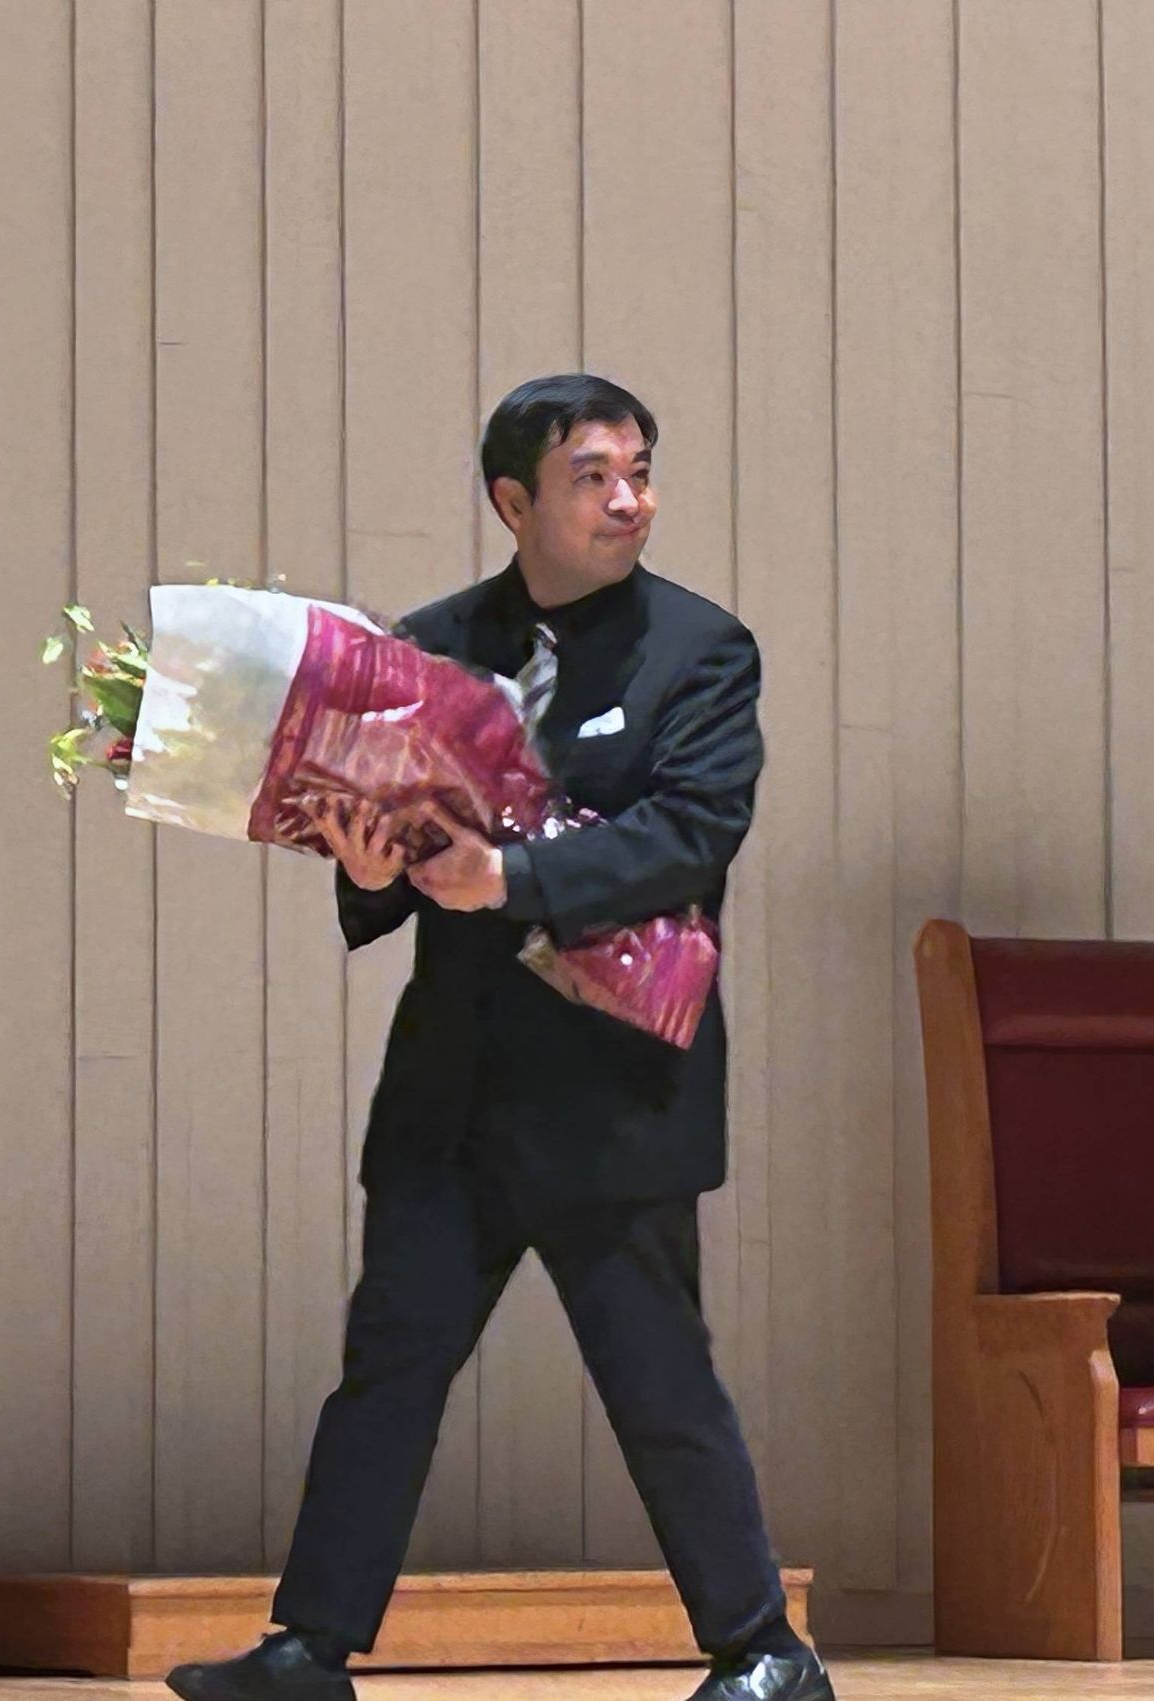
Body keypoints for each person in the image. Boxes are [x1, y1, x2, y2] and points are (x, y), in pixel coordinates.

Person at [166, 374, 833, 1701]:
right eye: (594, 477)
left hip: (617, 1090)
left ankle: (766, 1655)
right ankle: (310, 1650)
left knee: (659, 1382)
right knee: (388, 1366)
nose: (629, 500)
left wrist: (513, 880)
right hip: (456, 1081)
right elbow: (393, 849)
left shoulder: (701, 649)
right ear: (513, 501)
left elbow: (692, 835)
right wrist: (365, 864)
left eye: (640, 472)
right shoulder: (427, 647)